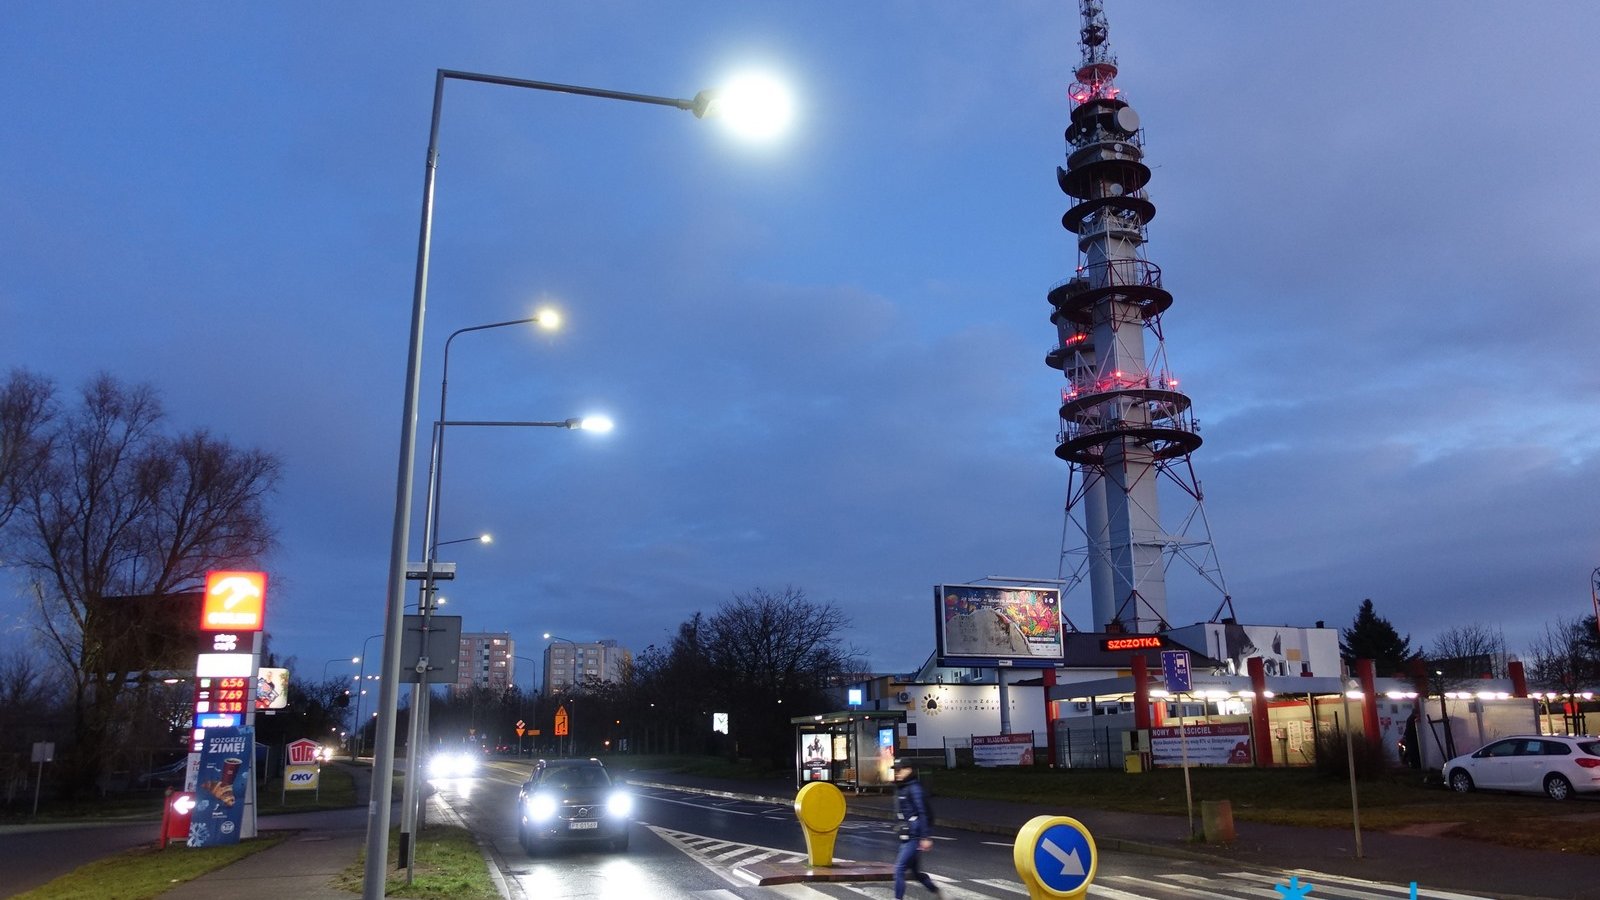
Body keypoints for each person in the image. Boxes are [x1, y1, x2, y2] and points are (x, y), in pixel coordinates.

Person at [891, 758, 939, 898]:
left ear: (908, 770)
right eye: (895, 770)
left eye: (899, 770)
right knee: (916, 873)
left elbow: (922, 812)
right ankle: (937, 891)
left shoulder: (914, 788)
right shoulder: (902, 787)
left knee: (899, 870)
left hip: (914, 836)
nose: (897, 773)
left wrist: (925, 837)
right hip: (907, 836)